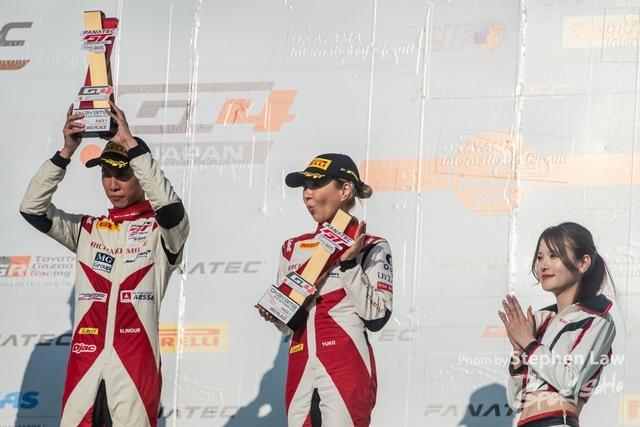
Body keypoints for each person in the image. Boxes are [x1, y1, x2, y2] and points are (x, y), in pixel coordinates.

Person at [20, 102, 190, 427]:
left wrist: (132, 146)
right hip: (85, 365)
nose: (113, 184)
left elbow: (172, 211)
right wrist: (66, 152)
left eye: (122, 174)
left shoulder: (161, 232)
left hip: (134, 370)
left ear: (139, 174)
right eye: (106, 174)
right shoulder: (87, 229)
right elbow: (32, 208)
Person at [255, 154, 393, 427]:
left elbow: (377, 316)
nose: (307, 194)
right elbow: (288, 325)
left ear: (345, 190)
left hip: (346, 363)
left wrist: (350, 265)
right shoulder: (292, 247)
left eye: (316, 185)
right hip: (300, 364)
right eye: (305, 187)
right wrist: (276, 315)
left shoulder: (372, 246)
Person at [498, 222, 616, 427]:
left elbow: (570, 381)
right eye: (540, 257)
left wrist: (529, 344)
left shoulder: (597, 318)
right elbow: (516, 402)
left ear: (583, 263)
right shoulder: (541, 321)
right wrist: (519, 352)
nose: (543, 265)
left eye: (554, 256)